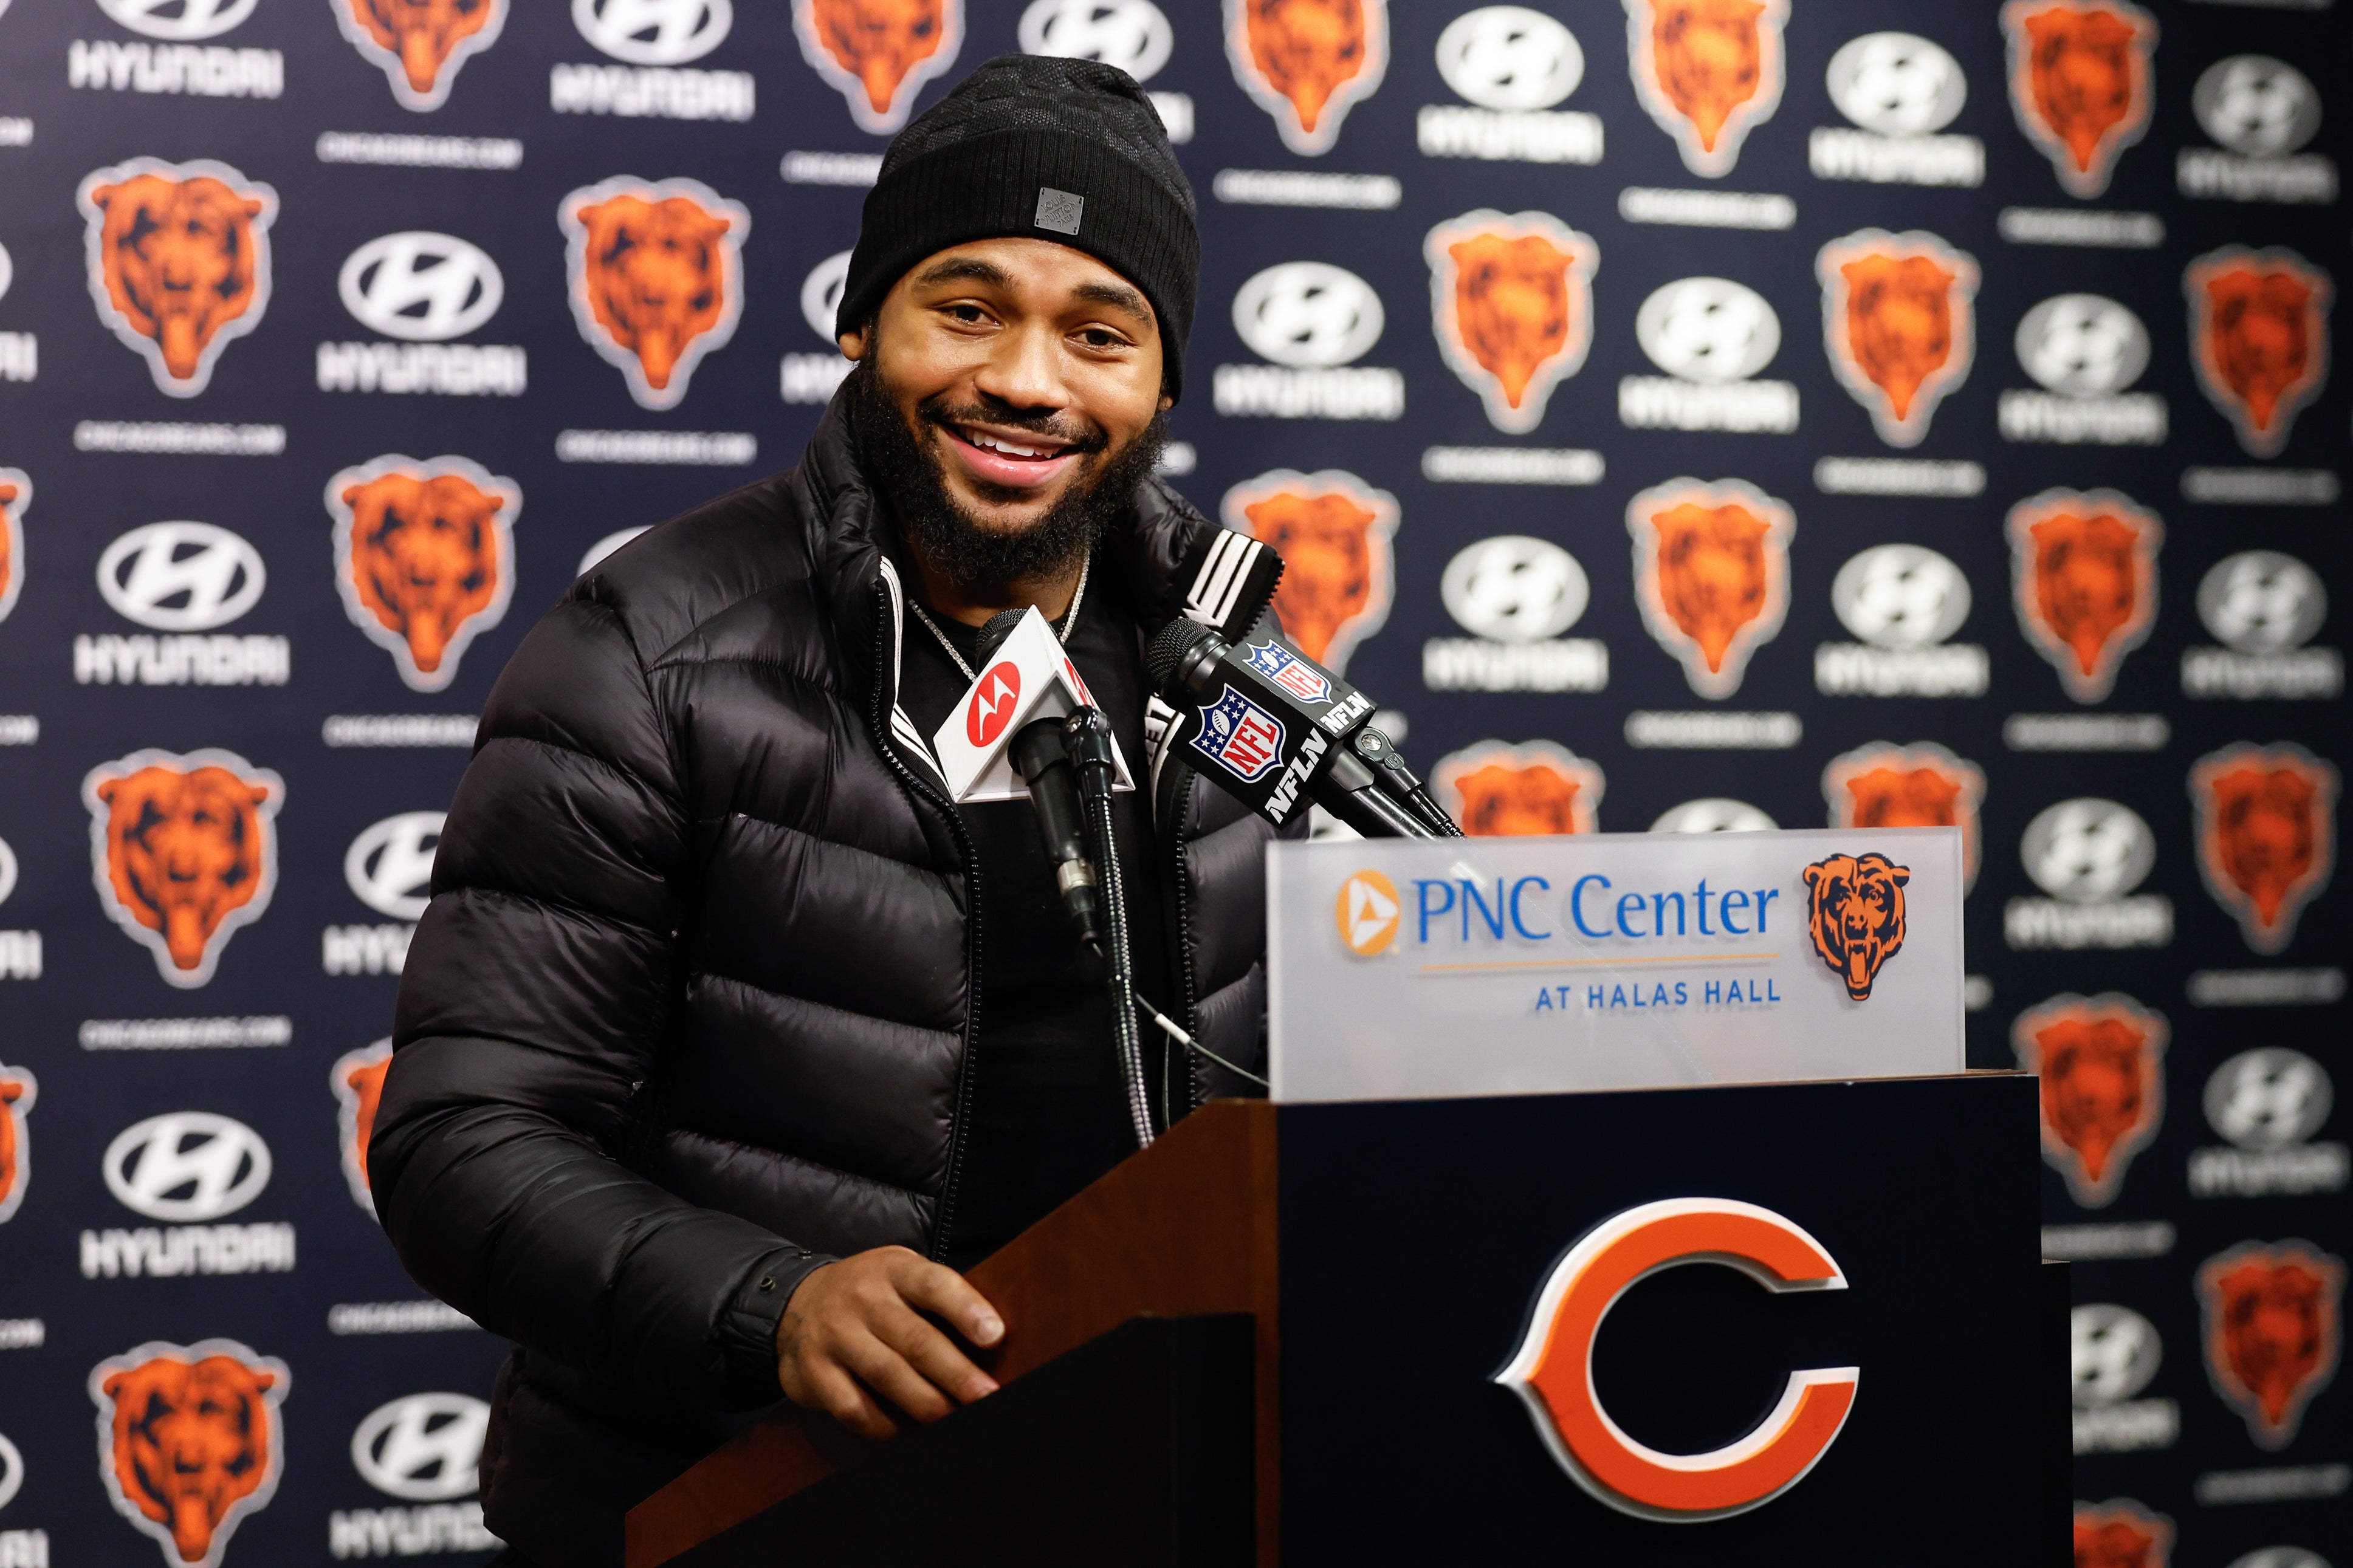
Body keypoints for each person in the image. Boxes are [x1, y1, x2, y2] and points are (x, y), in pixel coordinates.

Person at [369, 54, 1289, 1567]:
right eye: (969, 308)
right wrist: (772, 1305)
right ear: (864, 323)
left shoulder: (1237, 674)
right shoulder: (651, 653)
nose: (1028, 382)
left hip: (1151, 1489)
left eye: (1100, 333)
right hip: (746, 1497)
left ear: (1161, 384)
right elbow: (464, 1139)